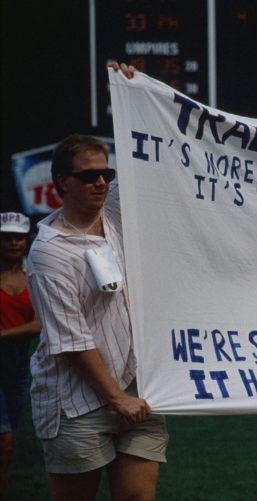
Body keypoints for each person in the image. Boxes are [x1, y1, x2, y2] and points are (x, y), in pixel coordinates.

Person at [26, 132, 168, 501]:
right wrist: (116, 398)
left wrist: (133, 86)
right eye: (89, 176)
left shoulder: (115, 213)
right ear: (62, 183)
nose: (101, 182)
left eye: (106, 173)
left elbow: (148, 145)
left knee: (138, 498)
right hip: (77, 400)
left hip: (137, 388)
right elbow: (70, 341)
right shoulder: (48, 253)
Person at [0, 212, 41, 499]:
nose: (13, 243)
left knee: (5, 448)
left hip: (18, 372)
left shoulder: (34, 274)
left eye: (18, 237)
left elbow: (42, 323)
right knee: (5, 441)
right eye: (6, 238)